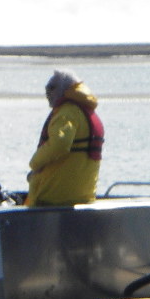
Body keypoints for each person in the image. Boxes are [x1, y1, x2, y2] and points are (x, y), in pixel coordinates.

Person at [25, 69, 104, 207]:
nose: (47, 93)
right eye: (46, 89)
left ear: (66, 89)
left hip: (57, 198)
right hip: (83, 196)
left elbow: (60, 143)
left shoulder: (66, 113)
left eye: (52, 88)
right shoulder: (84, 111)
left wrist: (34, 163)